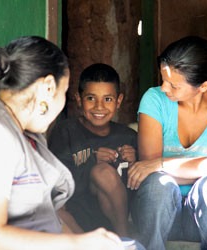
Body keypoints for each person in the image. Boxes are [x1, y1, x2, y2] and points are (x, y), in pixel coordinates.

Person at [0, 36, 125, 250]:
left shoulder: (25, 132)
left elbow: (51, 215)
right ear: (48, 87)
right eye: (63, 93)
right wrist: (78, 243)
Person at [128, 36, 207, 250]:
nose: (164, 88)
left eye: (173, 85)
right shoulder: (154, 100)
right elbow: (147, 169)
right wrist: (201, 166)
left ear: (204, 86)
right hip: (157, 211)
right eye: (162, 79)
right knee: (158, 187)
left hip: (203, 215)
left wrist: (162, 163)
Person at [48, 63, 138, 237]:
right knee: (53, 209)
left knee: (103, 172)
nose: (99, 107)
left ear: (118, 101)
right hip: (75, 218)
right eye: (91, 98)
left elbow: (140, 187)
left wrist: (134, 162)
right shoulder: (65, 131)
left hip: (113, 220)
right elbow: (57, 183)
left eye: (108, 99)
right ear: (79, 99)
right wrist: (91, 159)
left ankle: (124, 239)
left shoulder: (127, 136)